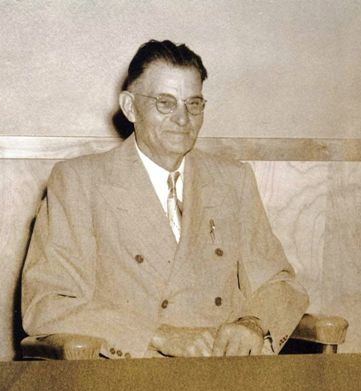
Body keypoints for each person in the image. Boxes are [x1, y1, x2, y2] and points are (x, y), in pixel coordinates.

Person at [22, 39, 309, 359]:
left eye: (193, 104)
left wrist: (253, 323)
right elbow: (46, 304)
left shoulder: (233, 180)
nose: (183, 119)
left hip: (224, 367)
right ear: (130, 107)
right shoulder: (79, 181)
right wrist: (157, 336)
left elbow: (280, 282)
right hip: (130, 371)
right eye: (165, 103)